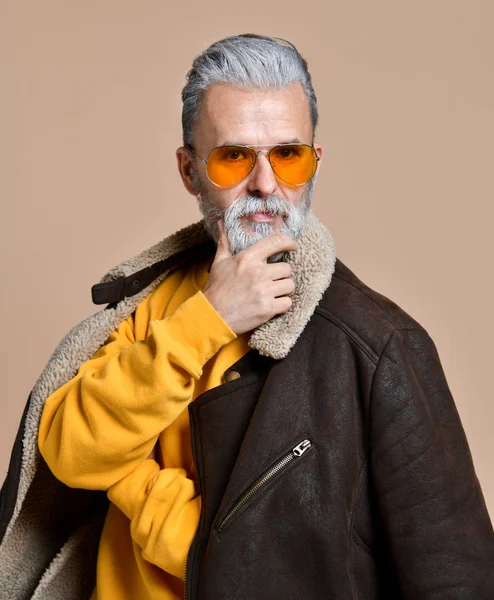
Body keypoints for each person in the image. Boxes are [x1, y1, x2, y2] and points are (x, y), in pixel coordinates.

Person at [1, 33, 493, 600]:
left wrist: (129, 479)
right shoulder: (156, 305)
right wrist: (209, 318)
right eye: (234, 157)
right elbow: (69, 453)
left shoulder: (378, 346)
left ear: (316, 162)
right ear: (189, 171)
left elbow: (453, 575)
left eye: (288, 154)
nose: (265, 184)